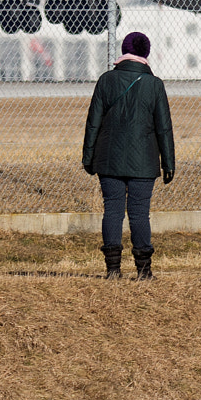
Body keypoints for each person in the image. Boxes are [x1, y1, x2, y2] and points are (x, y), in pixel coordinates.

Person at [82, 32, 175, 280]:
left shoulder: (106, 80)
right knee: (139, 214)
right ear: (146, 53)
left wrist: (88, 157)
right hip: (143, 162)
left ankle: (113, 270)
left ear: (123, 51)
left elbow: (93, 123)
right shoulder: (155, 85)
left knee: (112, 211)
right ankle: (144, 271)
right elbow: (164, 127)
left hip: (108, 158)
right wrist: (168, 163)